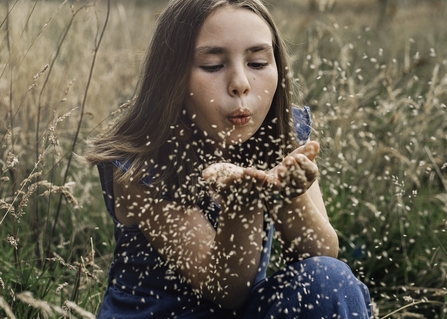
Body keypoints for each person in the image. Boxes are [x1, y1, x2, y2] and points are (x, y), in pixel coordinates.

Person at [85, 0, 372, 318]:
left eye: (259, 63)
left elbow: (321, 254)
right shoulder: (143, 164)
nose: (240, 84)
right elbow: (226, 290)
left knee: (331, 279)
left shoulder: (275, 133)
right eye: (213, 66)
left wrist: (288, 197)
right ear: (172, 77)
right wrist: (242, 203)